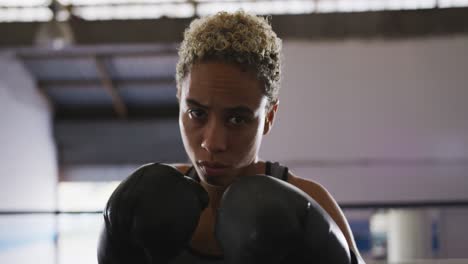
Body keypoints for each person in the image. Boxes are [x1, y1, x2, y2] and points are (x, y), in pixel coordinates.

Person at [98, 10, 365, 264]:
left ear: (269, 117)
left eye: (237, 119)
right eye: (197, 113)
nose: (213, 143)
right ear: (180, 99)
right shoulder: (148, 205)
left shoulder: (308, 199)